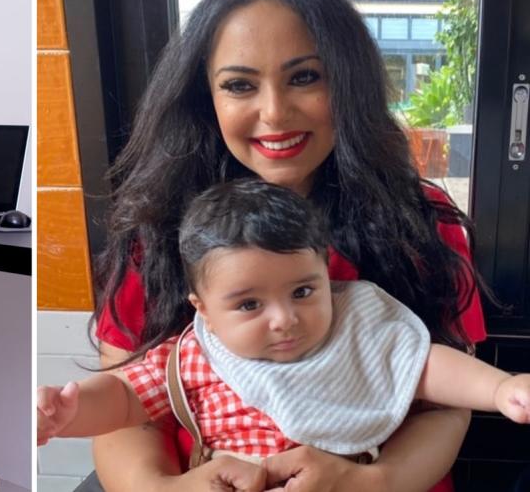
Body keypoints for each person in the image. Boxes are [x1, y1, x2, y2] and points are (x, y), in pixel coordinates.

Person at [88, 0, 489, 492]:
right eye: (239, 85)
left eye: (304, 77)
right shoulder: (159, 227)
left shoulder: (421, 220)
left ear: (348, 83)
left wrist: (370, 482)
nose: (274, 113)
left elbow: (444, 406)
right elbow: (128, 408)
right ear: (206, 99)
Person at [40, 180, 529, 472]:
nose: (285, 318)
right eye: (249, 304)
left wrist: (502, 389)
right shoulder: (194, 355)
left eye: (302, 291)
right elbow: (126, 397)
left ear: (327, 276)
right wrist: (69, 412)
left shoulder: (353, 327)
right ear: (203, 311)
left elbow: (424, 367)